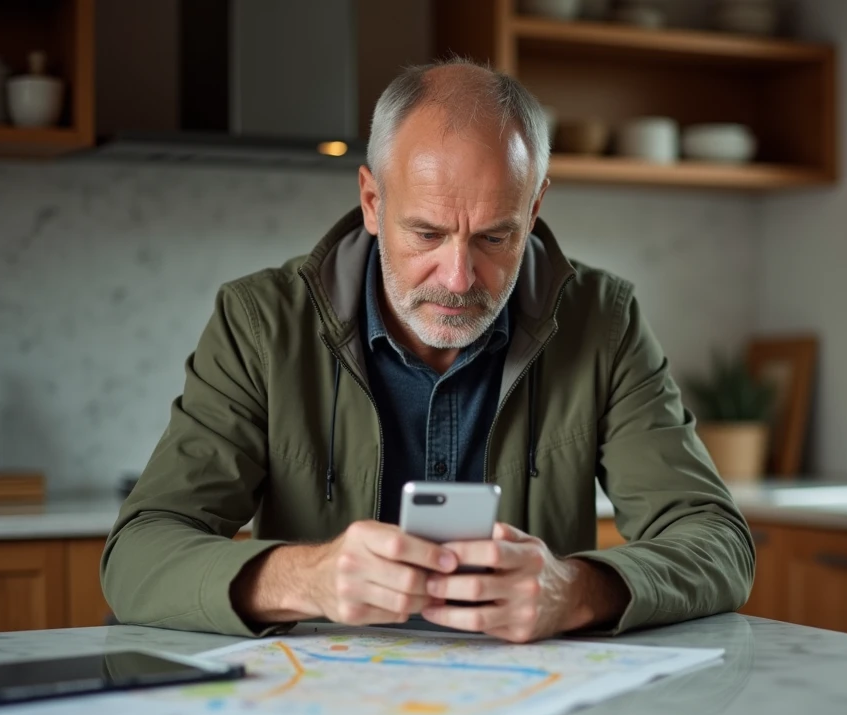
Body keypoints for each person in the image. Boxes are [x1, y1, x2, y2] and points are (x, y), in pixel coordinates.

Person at [102, 60, 754, 641]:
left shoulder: (604, 321)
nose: (458, 278)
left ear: (535, 208)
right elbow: (136, 556)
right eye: (426, 233)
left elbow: (718, 542)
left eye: (496, 238)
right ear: (371, 200)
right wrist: (307, 578)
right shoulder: (259, 322)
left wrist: (575, 590)